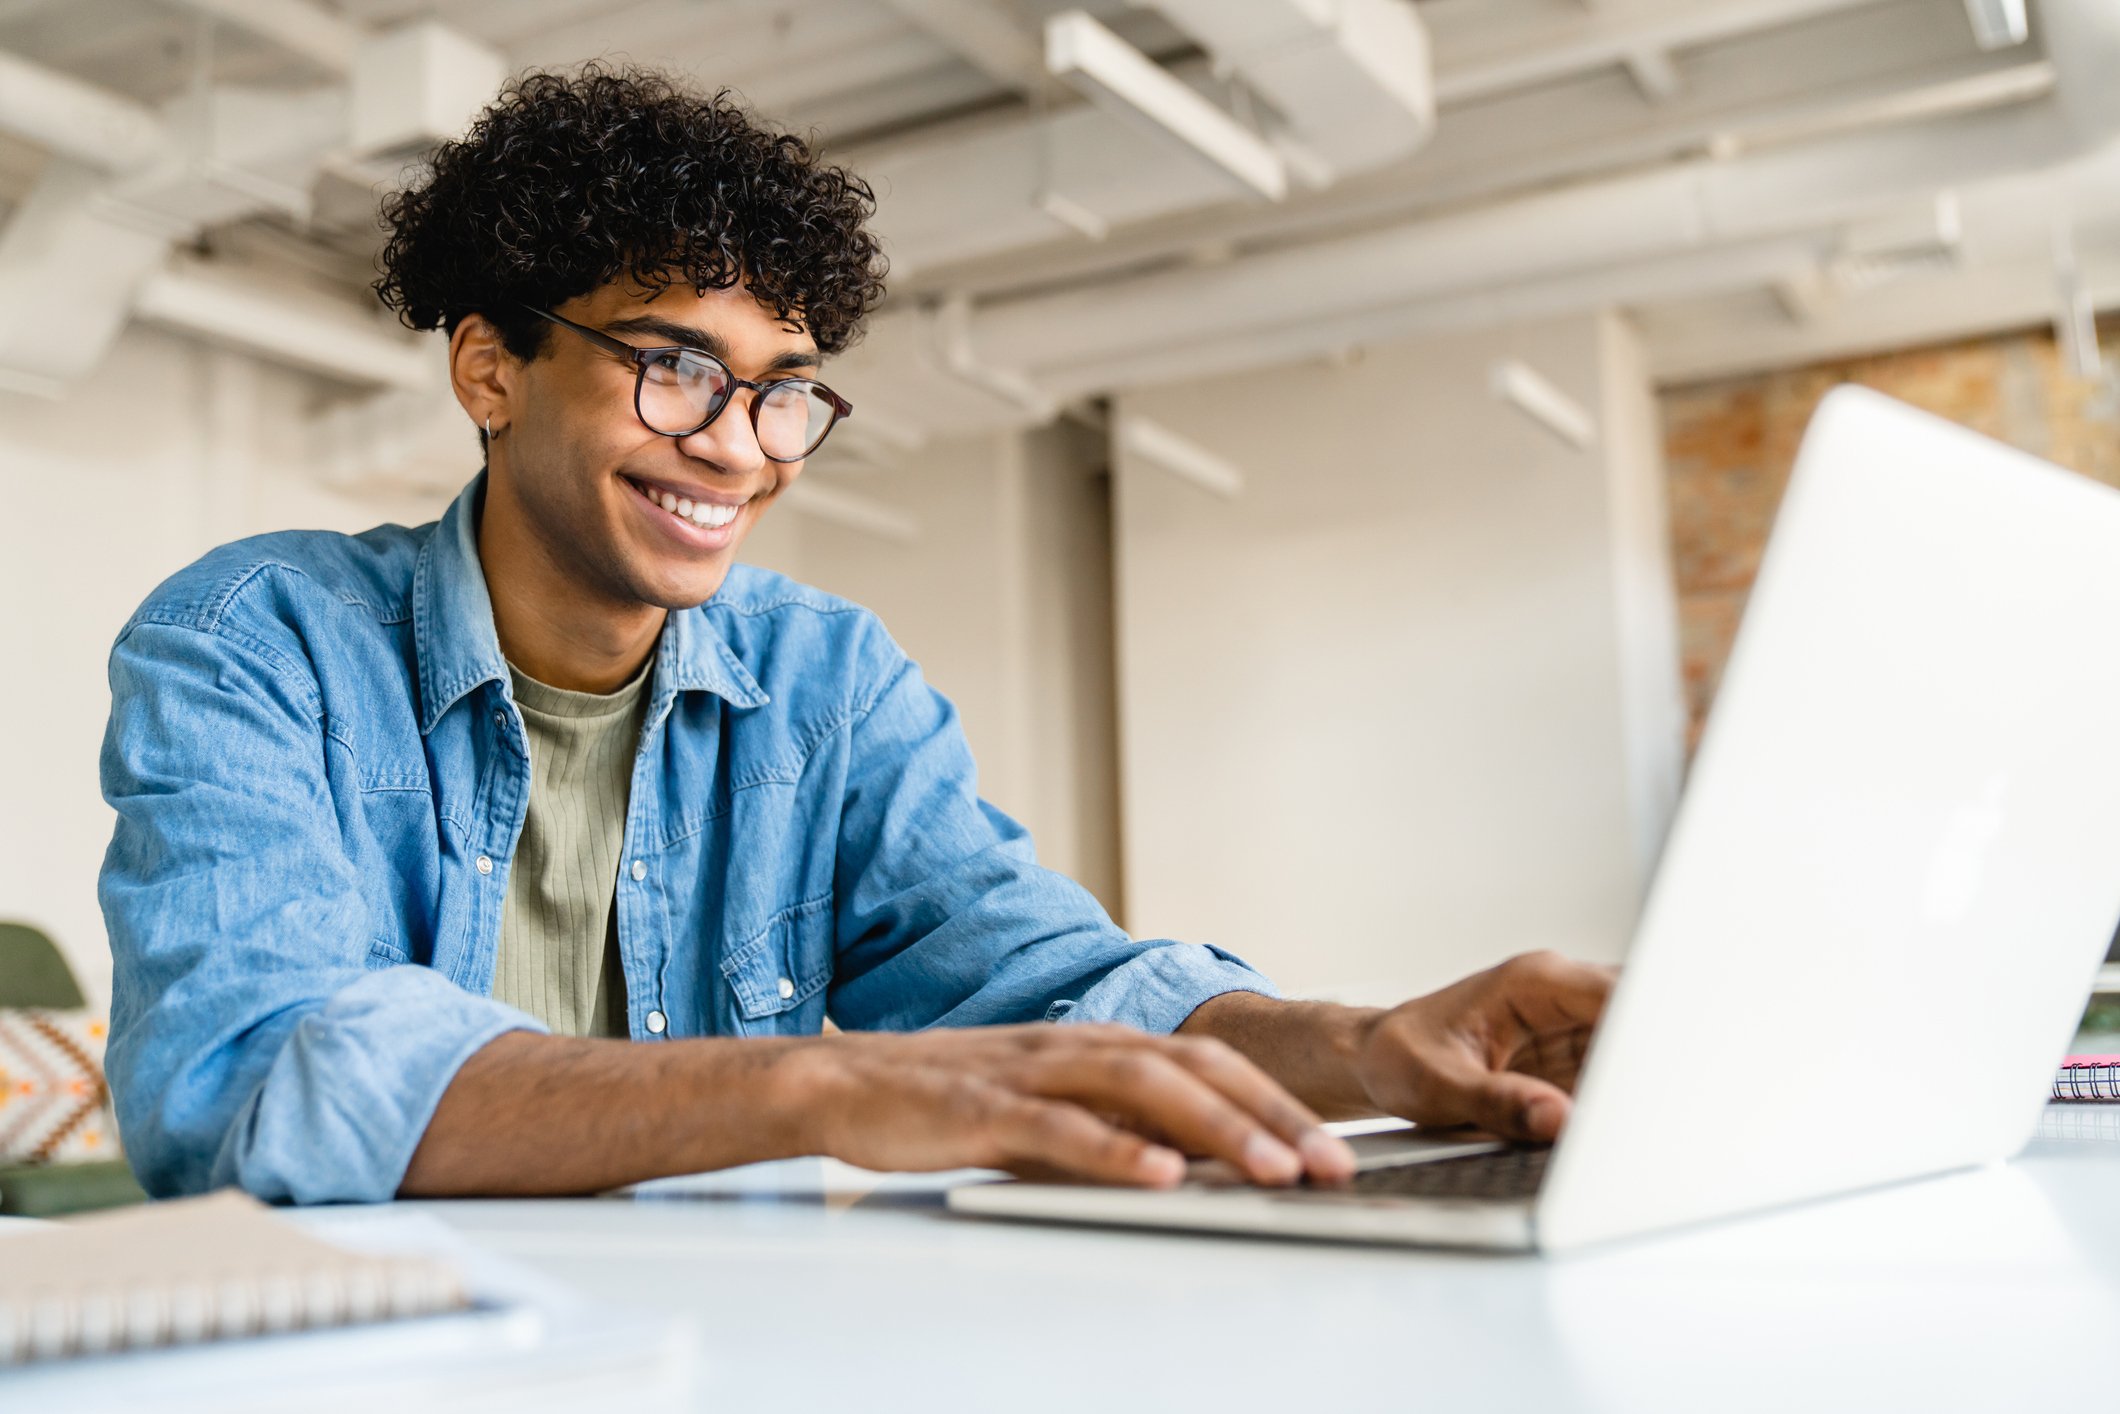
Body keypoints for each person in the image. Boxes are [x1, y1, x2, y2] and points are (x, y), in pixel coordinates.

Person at [99, 67, 1612, 1204]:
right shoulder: (255, 642)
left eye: (781, 389)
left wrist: (1369, 1045)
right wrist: (824, 1082)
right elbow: (252, 1079)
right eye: (674, 366)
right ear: (490, 369)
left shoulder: (825, 680)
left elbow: (1046, 983)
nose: (739, 446)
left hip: (733, 1340)